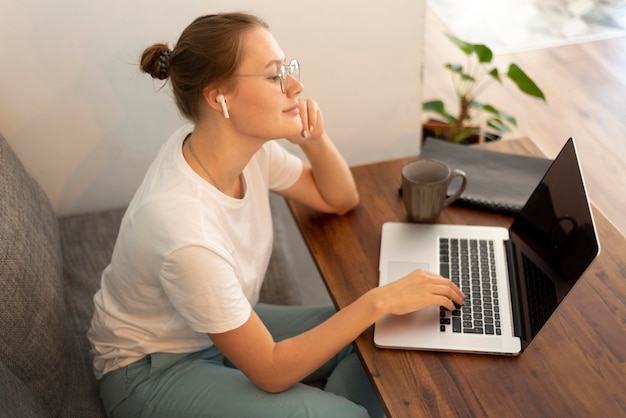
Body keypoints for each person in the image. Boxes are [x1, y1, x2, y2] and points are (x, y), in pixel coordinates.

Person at [87, 12, 464, 418]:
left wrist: (314, 139)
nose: (295, 86)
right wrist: (379, 298)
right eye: (273, 76)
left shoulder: (240, 149)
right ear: (219, 98)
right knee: (360, 370)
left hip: (217, 325)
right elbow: (270, 369)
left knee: (378, 335)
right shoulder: (185, 231)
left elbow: (339, 198)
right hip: (152, 369)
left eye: (288, 69)